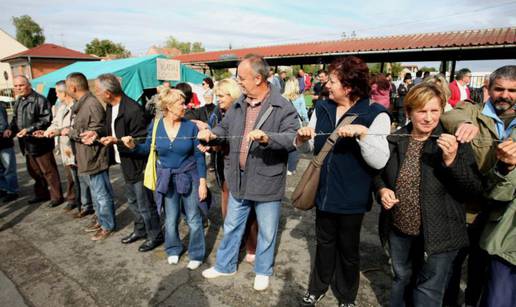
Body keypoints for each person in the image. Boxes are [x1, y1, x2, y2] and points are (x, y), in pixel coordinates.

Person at [375, 83, 483, 307]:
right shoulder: (395, 140)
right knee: (401, 278)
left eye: (434, 111)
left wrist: (451, 161)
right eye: (421, 111)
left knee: (428, 289)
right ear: (409, 112)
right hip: (400, 229)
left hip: (439, 233)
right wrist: (382, 190)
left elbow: (473, 189)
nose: (428, 118)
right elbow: (378, 175)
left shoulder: (452, 143)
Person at [198, 54, 299, 291]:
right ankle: (225, 265)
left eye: (242, 78)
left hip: (267, 180)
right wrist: (213, 134)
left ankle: (263, 270)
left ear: (258, 78)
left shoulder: (282, 105)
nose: (239, 82)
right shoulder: (239, 103)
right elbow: (224, 127)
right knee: (232, 225)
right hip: (238, 179)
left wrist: (268, 138)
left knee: (266, 231)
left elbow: (292, 138)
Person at [296, 56, 391, 306]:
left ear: (348, 86)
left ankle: (346, 295)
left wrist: (363, 135)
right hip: (324, 192)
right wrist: (303, 138)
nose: (327, 85)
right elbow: (312, 149)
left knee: (348, 250)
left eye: (333, 81)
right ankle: (318, 287)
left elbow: (379, 160)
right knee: (323, 243)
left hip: (352, 197)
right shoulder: (323, 108)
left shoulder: (375, 114)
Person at [441, 65, 516, 307]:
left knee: (483, 272)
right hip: (469, 210)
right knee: (453, 266)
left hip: (502, 216)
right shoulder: (472, 111)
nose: (505, 95)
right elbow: (450, 115)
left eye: (512, 90)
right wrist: (465, 123)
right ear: (488, 89)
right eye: (499, 89)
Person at [123, 88, 208, 269]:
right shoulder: (155, 126)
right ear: (168, 106)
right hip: (167, 178)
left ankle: (197, 253)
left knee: (193, 218)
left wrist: (202, 182)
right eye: (181, 103)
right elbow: (147, 149)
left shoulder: (190, 126)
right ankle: (173, 249)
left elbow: (199, 157)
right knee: (170, 218)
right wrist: (132, 147)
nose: (185, 106)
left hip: (188, 176)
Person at [95, 73, 163, 252]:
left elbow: (141, 142)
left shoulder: (133, 109)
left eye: (98, 91)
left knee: (145, 204)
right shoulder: (110, 107)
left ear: (108, 92)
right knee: (132, 201)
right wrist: (97, 135)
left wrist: (116, 141)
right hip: (124, 163)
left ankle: (155, 235)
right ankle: (140, 230)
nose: (97, 94)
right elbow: (108, 128)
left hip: (138, 165)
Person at [62, 72, 115, 241]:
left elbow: (97, 131)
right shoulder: (82, 103)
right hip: (86, 157)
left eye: (66, 86)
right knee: (96, 193)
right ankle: (101, 220)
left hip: (94, 157)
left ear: (72, 87)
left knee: (102, 194)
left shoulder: (91, 104)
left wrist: (71, 133)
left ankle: (107, 225)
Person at [211, 78, 258, 263]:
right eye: (217, 96)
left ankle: (252, 246)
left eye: (221, 95)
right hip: (223, 171)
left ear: (232, 95)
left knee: (247, 211)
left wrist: (218, 144)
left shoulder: (242, 113)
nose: (218, 99)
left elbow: (239, 142)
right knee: (228, 213)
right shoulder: (217, 113)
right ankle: (236, 243)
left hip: (240, 170)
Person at [4, 75, 63, 206]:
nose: (18, 88)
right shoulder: (19, 100)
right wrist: (10, 129)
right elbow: (15, 120)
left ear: (29, 85)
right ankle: (42, 194)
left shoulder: (40, 100)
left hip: (40, 142)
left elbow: (46, 120)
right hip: (26, 143)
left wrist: (29, 129)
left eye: (21, 85)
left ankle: (57, 197)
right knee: (34, 172)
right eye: (16, 86)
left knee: (49, 171)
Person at [34, 81, 81, 211]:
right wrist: (46, 132)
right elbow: (55, 123)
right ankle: (74, 200)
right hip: (66, 149)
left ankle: (83, 202)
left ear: (64, 92)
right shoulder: (62, 107)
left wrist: (58, 131)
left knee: (78, 177)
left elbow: (75, 127)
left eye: (56, 92)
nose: (55, 94)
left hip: (75, 148)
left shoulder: (76, 107)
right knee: (70, 175)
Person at [283, 77, 308, 175]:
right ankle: (291, 168)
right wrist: (306, 122)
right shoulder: (300, 97)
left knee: (285, 144)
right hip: (297, 123)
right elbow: (303, 112)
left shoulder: (282, 98)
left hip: (284, 124)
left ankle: (284, 166)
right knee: (295, 145)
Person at [0, 102, 18, 203]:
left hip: (3, 142)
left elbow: (3, 125)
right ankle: (4, 189)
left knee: (8, 168)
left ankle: (12, 191)